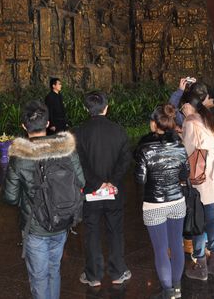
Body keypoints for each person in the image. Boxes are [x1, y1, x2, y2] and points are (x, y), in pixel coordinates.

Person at [4, 100, 85, 299]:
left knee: (39, 277)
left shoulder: (19, 157)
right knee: (54, 270)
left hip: (35, 227)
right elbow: (81, 181)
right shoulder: (66, 150)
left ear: (24, 126)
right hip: (61, 221)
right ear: (48, 123)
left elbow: (10, 197)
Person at [76, 91, 132, 287]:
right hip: (113, 192)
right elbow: (125, 160)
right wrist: (111, 182)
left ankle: (93, 276)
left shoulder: (79, 133)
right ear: (106, 108)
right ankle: (118, 272)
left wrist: (98, 183)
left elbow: (79, 163)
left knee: (91, 232)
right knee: (115, 230)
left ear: (87, 109)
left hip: (91, 192)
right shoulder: (119, 131)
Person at [135, 104, 189, 299]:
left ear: (154, 124)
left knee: (160, 249)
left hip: (154, 204)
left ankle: (167, 291)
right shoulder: (180, 147)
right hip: (177, 202)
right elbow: (185, 174)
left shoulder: (145, 149)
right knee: (176, 245)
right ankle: (177, 288)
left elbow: (140, 179)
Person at [181, 92, 214, 280]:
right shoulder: (212, 120)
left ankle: (200, 265)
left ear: (188, 105)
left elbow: (186, 151)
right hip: (212, 176)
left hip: (198, 179)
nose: (182, 110)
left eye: (183, 107)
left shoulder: (191, 122)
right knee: (210, 218)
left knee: (198, 221)